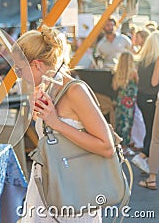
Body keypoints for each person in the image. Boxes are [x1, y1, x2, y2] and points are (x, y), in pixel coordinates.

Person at [19, 25, 114, 222]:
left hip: (74, 191)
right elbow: (55, 141)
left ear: (37, 65)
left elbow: (107, 147)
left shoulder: (75, 91)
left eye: (20, 69)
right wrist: (39, 115)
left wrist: (56, 122)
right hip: (49, 184)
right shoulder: (49, 88)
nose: (19, 75)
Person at [132, 31, 159, 174]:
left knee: (150, 129)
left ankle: (147, 161)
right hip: (151, 98)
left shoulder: (142, 60)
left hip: (142, 97)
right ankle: (143, 155)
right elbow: (154, 83)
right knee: (153, 132)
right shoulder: (156, 61)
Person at [112, 51, 138, 155]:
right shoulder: (134, 73)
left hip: (120, 101)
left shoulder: (117, 72)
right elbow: (137, 85)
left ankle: (119, 146)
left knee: (119, 122)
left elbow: (114, 87)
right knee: (128, 123)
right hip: (130, 102)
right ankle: (125, 147)